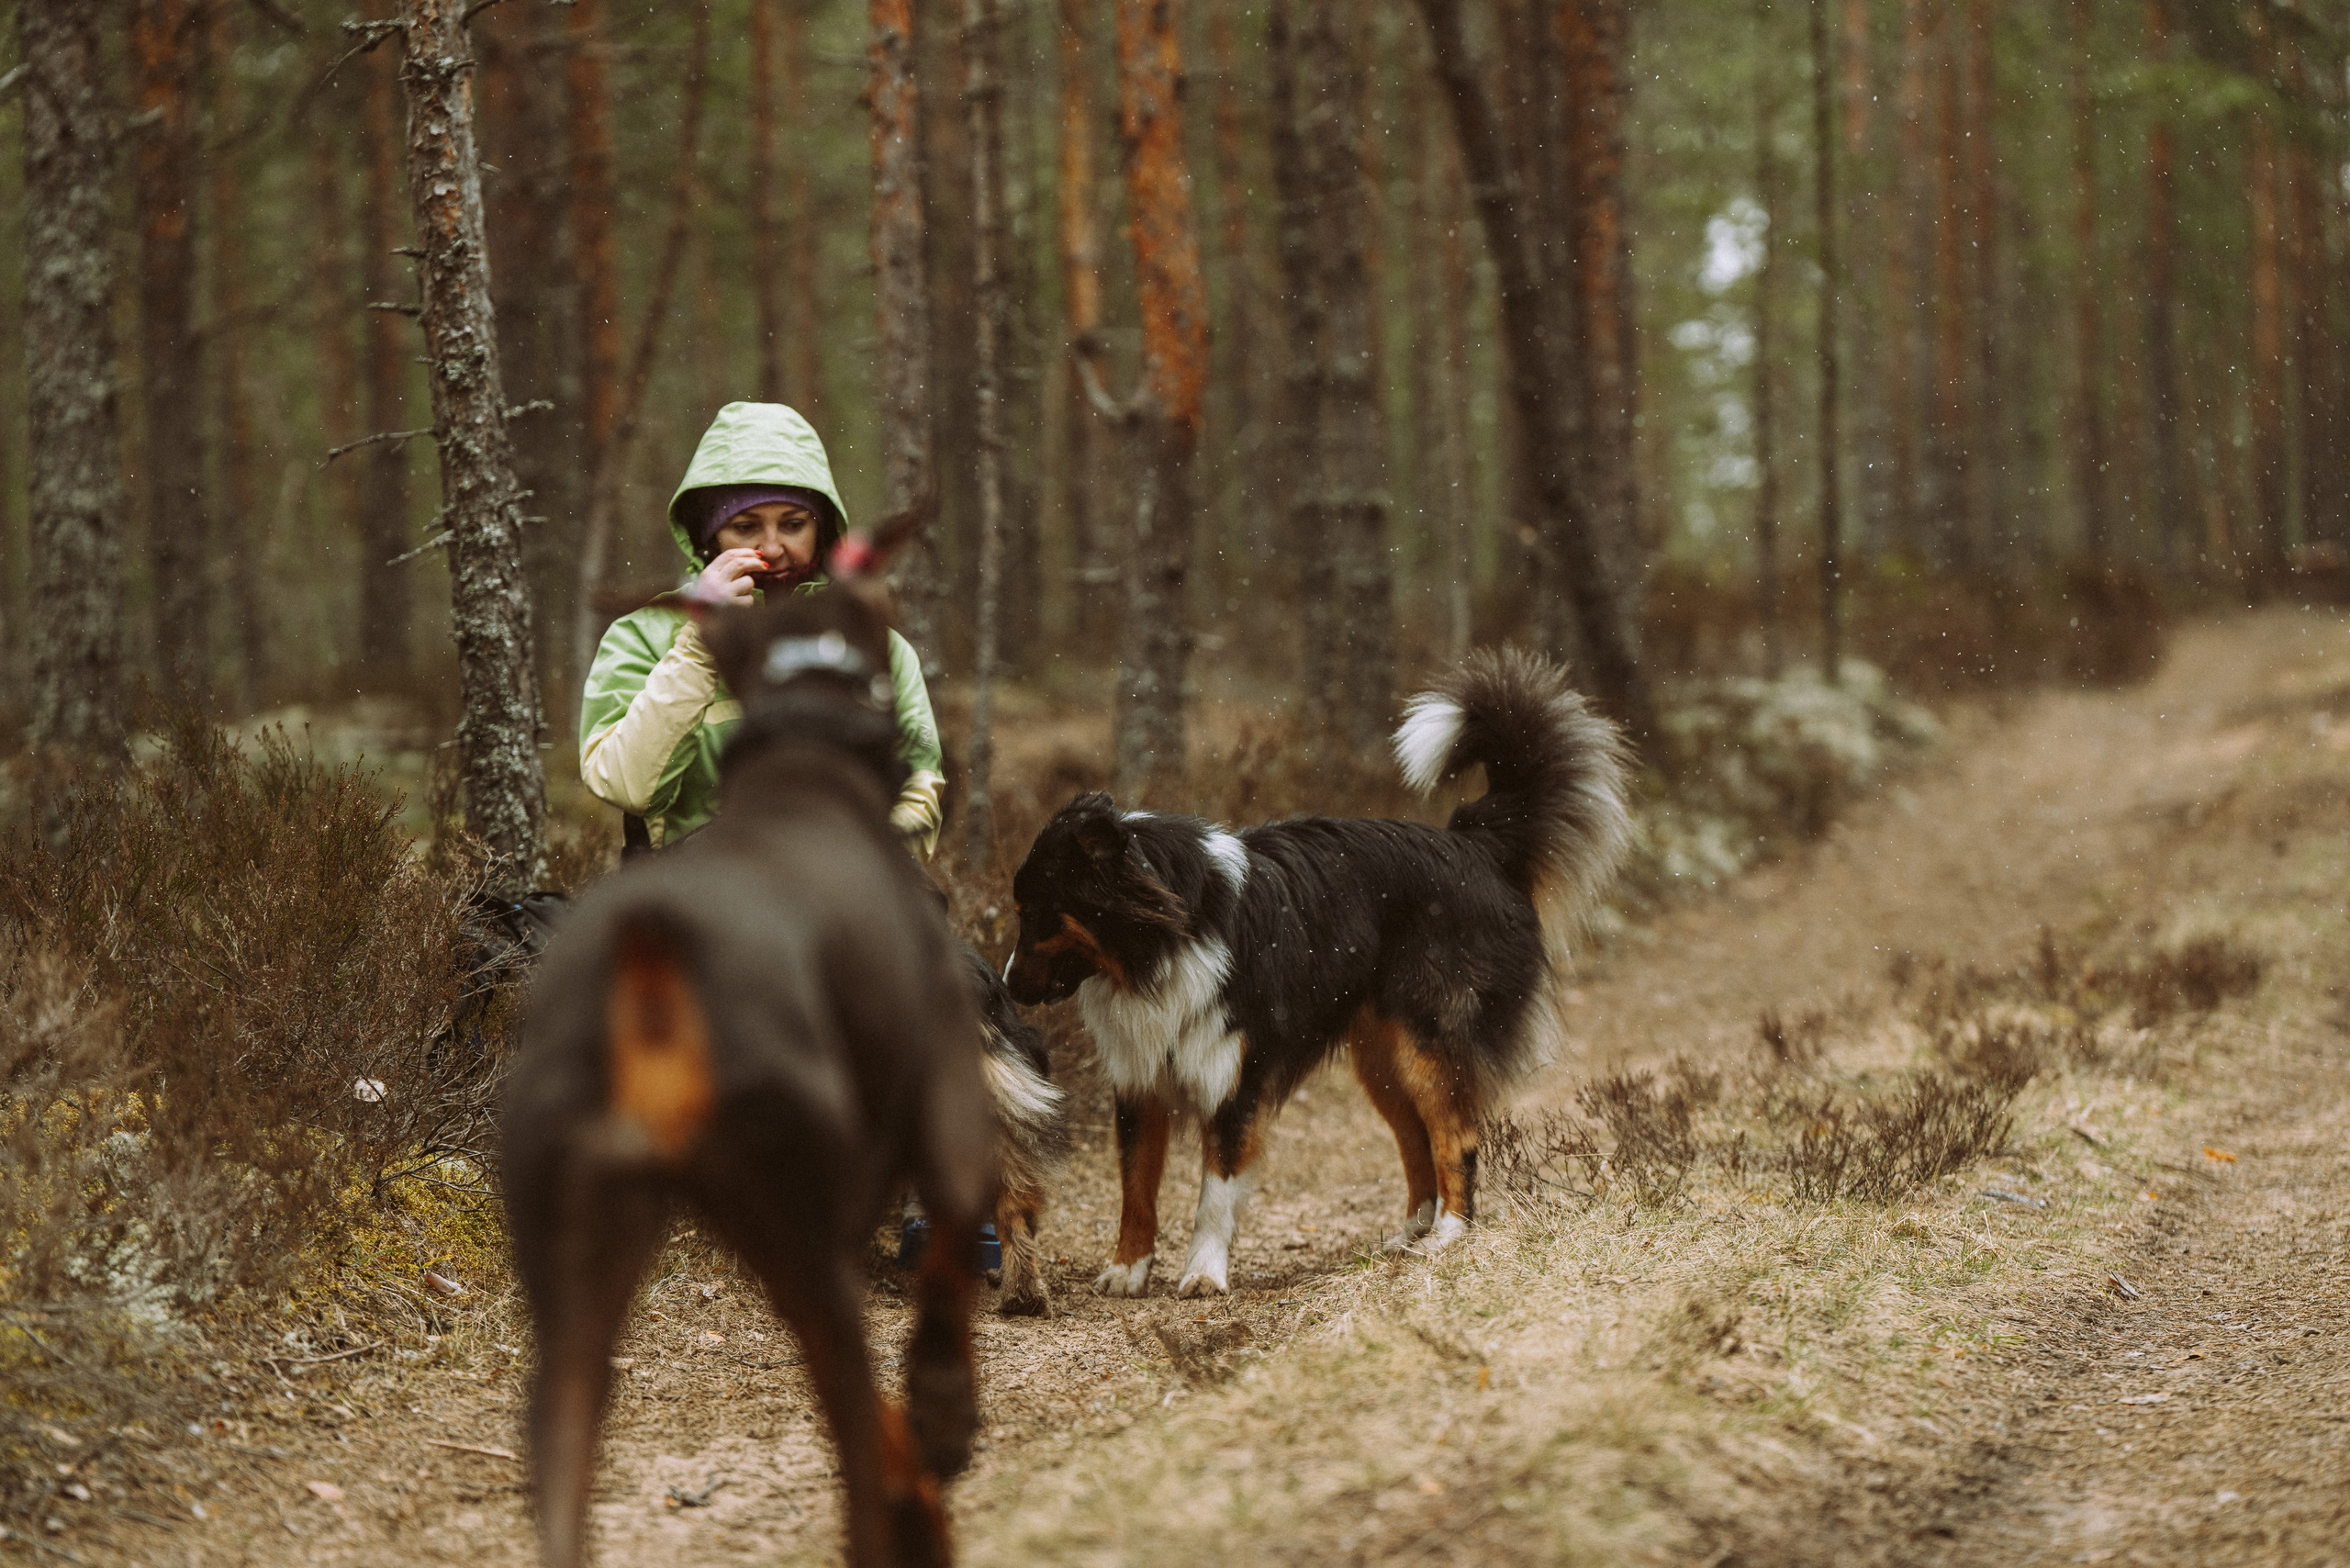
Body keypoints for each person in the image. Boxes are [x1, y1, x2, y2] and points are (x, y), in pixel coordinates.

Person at [579, 401, 946, 857]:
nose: (771, 548)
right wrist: (699, 644)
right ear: (709, 537)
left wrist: (855, 856)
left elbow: (921, 784)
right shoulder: (643, 635)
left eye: (793, 525)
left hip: (847, 882)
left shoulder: (874, 642)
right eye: (745, 526)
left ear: (822, 530)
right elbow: (623, 784)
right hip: (692, 892)